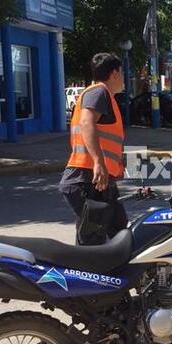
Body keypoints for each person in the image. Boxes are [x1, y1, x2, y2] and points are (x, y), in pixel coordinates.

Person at [58, 53, 128, 245]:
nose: (124, 78)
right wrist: (99, 162)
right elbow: (87, 123)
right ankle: (87, 272)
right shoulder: (98, 92)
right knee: (94, 240)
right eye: (122, 73)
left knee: (119, 233)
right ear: (114, 73)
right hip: (87, 178)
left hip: (99, 180)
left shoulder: (104, 96)